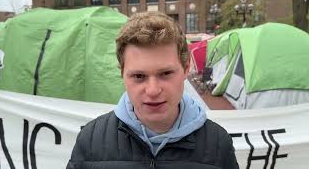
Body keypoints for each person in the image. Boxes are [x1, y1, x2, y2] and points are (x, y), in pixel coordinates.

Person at [67, 11, 239, 169]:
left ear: (186, 69)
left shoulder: (219, 144)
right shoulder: (90, 140)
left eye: (165, 73)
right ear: (122, 74)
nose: (153, 90)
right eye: (139, 76)